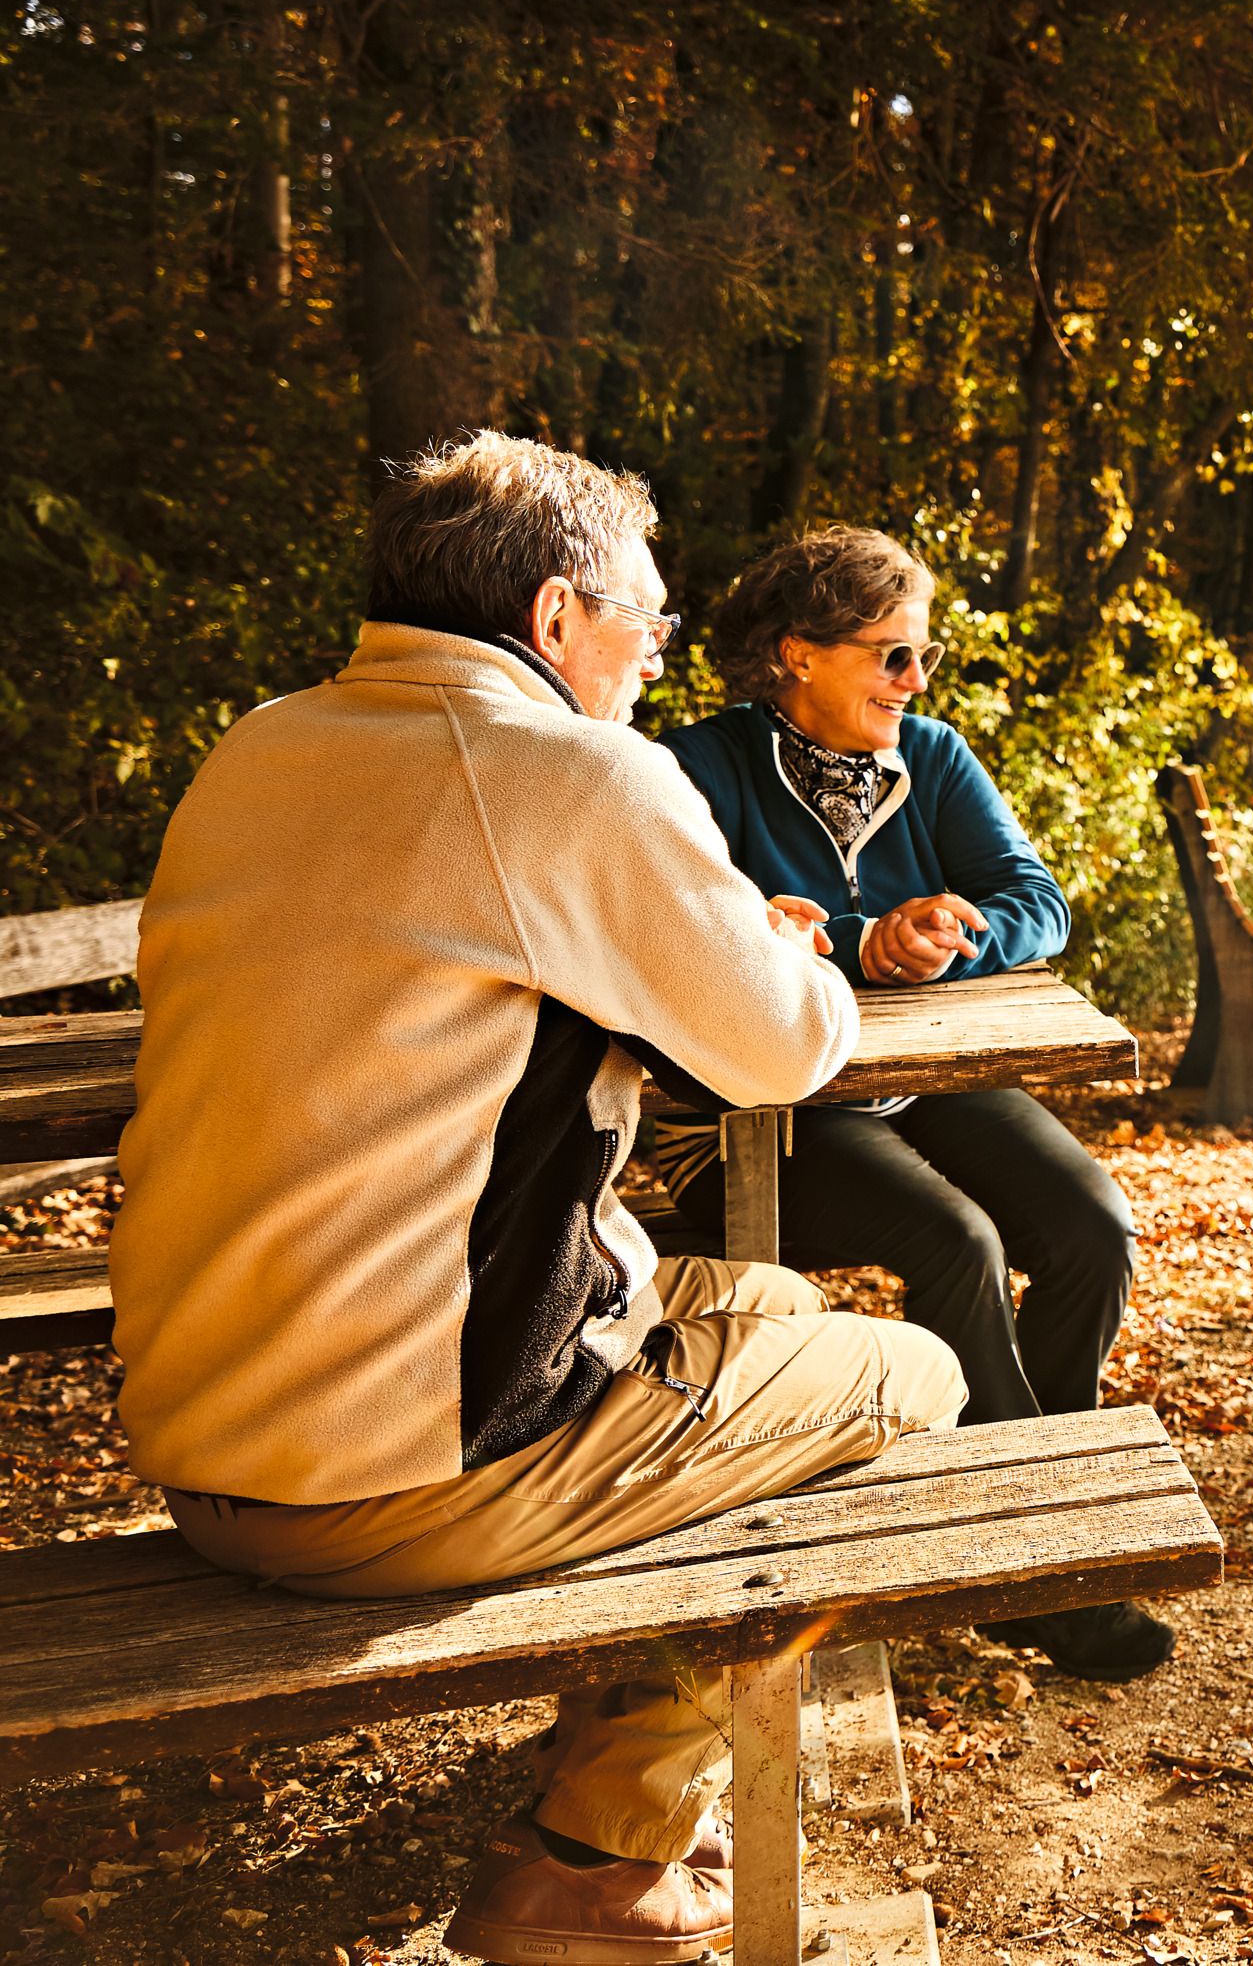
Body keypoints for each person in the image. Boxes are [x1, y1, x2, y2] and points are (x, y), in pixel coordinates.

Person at [113, 434, 968, 1966]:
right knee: (910, 1376)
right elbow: (780, 1048)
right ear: (558, 613)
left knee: (769, 1303)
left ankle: (620, 1775)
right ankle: (597, 1855)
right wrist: (795, 950)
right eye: (645, 619)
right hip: (389, 1475)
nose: (653, 656)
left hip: (208, 1429)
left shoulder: (262, 747)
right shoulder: (568, 766)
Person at [650, 523, 1171, 1681]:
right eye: (890, 656)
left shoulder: (930, 757)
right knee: (957, 1240)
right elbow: (699, 937)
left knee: (1093, 1224)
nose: (916, 682)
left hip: (920, 1087)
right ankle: (1036, 1571)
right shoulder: (693, 771)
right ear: (796, 654)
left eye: (919, 656)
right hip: (756, 1113)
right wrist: (853, 943)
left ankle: (1040, 1492)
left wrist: (953, 934)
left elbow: (1038, 899)